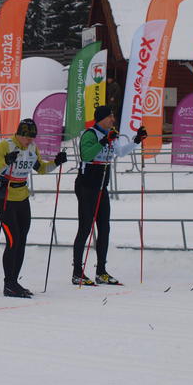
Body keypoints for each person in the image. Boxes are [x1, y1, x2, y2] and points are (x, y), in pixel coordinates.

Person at [0, 118, 67, 298]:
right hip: (5, 197)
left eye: (33, 137)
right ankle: (8, 284)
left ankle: (14, 282)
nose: (30, 140)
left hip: (22, 197)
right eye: (27, 137)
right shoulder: (5, 146)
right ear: (19, 134)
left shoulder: (32, 148)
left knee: (21, 240)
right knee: (13, 240)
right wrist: (6, 161)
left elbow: (42, 169)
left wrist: (56, 162)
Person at [72, 105, 147, 286]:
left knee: (104, 228)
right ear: (102, 119)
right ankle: (77, 273)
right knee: (85, 229)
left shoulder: (111, 134)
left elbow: (119, 152)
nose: (113, 119)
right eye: (110, 117)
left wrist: (137, 140)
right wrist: (104, 141)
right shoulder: (90, 134)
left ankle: (101, 272)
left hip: (101, 188)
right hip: (86, 187)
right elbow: (86, 155)